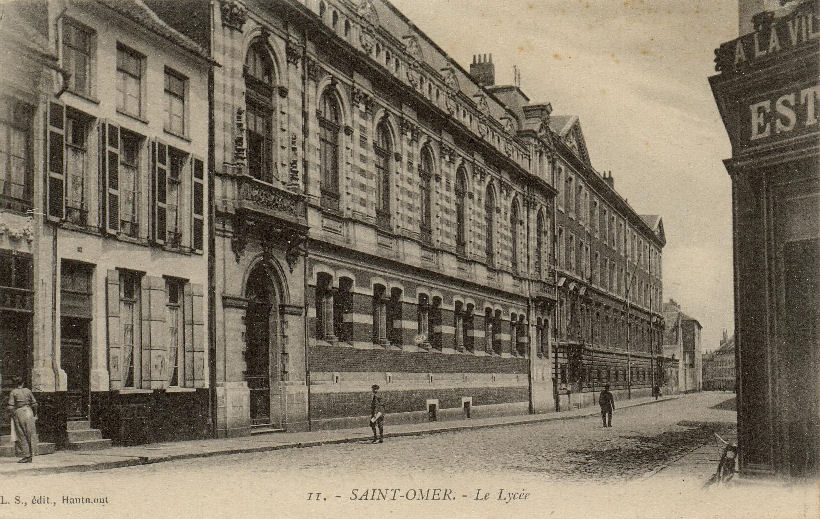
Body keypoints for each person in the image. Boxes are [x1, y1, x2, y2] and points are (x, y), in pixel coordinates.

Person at [7, 376, 38, 463]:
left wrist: (12, 415)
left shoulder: (13, 392)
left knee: (21, 434)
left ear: (15, 383)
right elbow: (35, 404)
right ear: (23, 383)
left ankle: (26, 455)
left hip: (19, 412)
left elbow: (10, 406)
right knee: (31, 433)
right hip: (29, 411)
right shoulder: (28, 390)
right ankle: (32, 454)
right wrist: (35, 414)